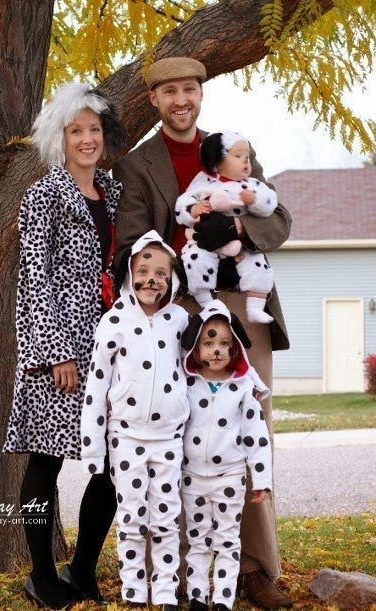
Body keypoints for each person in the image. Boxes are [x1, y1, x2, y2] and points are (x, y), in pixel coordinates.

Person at [113, 57, 293, 609]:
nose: (182, 99)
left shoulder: (233, 147)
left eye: (190, 89)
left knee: (249, 426)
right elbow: (129, 244)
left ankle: (258, 569)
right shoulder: (138, 164)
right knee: (177, 436)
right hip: (179, 304)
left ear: (200, 94)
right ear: (154, 100)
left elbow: (279, 220)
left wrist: (235, 226)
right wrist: (179, 242)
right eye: (170, 91)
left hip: (244, 302)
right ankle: (179, 573)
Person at [3, 81, 125, 609]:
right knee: (46, 463)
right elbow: (34, 276)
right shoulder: (44, 195)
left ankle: (83, 567)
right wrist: (56, 350)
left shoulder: (114, 193)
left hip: (111, 347)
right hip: (59, 350)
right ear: (59, 137)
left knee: (113, 460)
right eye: (76, 130)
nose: (87, 139)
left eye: (94, 129)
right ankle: (40, 575)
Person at [81, 230, 189, 610]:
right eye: (144, 270)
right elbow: (96, 387)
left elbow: (197, 371)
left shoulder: (180, 320)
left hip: (169, 439)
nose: (151, 280)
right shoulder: (114, 321)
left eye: (161, 274)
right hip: (125, 438)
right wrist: (92, 449)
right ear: (130, 272)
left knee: (167, 517)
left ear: (172, 280)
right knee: (131, 518)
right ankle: (133, 590)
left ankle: (164, 589)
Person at [180, 299, 272, 610]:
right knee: (198, 539)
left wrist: (261, 480)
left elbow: (257, 437)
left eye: (224, 344)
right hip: (192, 477)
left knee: (228, 539)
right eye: (209, 343)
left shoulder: (242, 389)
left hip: (230, 476)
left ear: (234, 350)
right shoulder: (187, 386)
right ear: (195, 347)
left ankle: (222, 599)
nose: (216, 350)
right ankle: (196, 596)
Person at [175, 129, 277, 322]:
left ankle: (255, 307)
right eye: (238, 156)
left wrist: (254, 200)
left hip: (240, 245)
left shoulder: (252, 184)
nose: (246, 161)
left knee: (258, 266)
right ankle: (206, 301)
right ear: (218, 161)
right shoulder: (203, 181)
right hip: (205, 241)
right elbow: (183, 202)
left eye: (247, 156)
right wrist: (194, 209)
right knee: (195, 260)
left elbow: (271, 203)